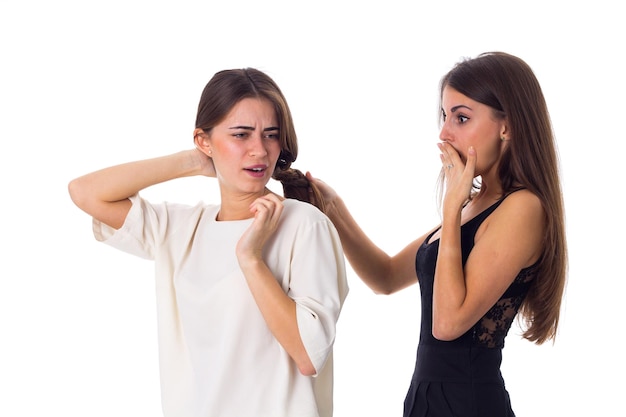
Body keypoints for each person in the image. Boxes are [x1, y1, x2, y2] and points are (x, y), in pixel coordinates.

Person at [68, 68, 348, 417]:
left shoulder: (304, 225)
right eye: (241, 135)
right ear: (204, 140)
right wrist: (192, 162)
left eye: (270, 135)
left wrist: (251, 258)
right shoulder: (180, 228)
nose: (259, 150)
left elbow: (308, 355)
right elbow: (85, 193)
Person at [307, 51, 567, 417]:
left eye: (461, 117)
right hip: (425, 399)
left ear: (507, 127)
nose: (444, 133)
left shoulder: (522, 208)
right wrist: (333, 208)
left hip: (468, 403)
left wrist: (451, 206)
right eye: (444, 117)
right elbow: (385, 276)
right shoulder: (472, 206)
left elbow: (447, 324)